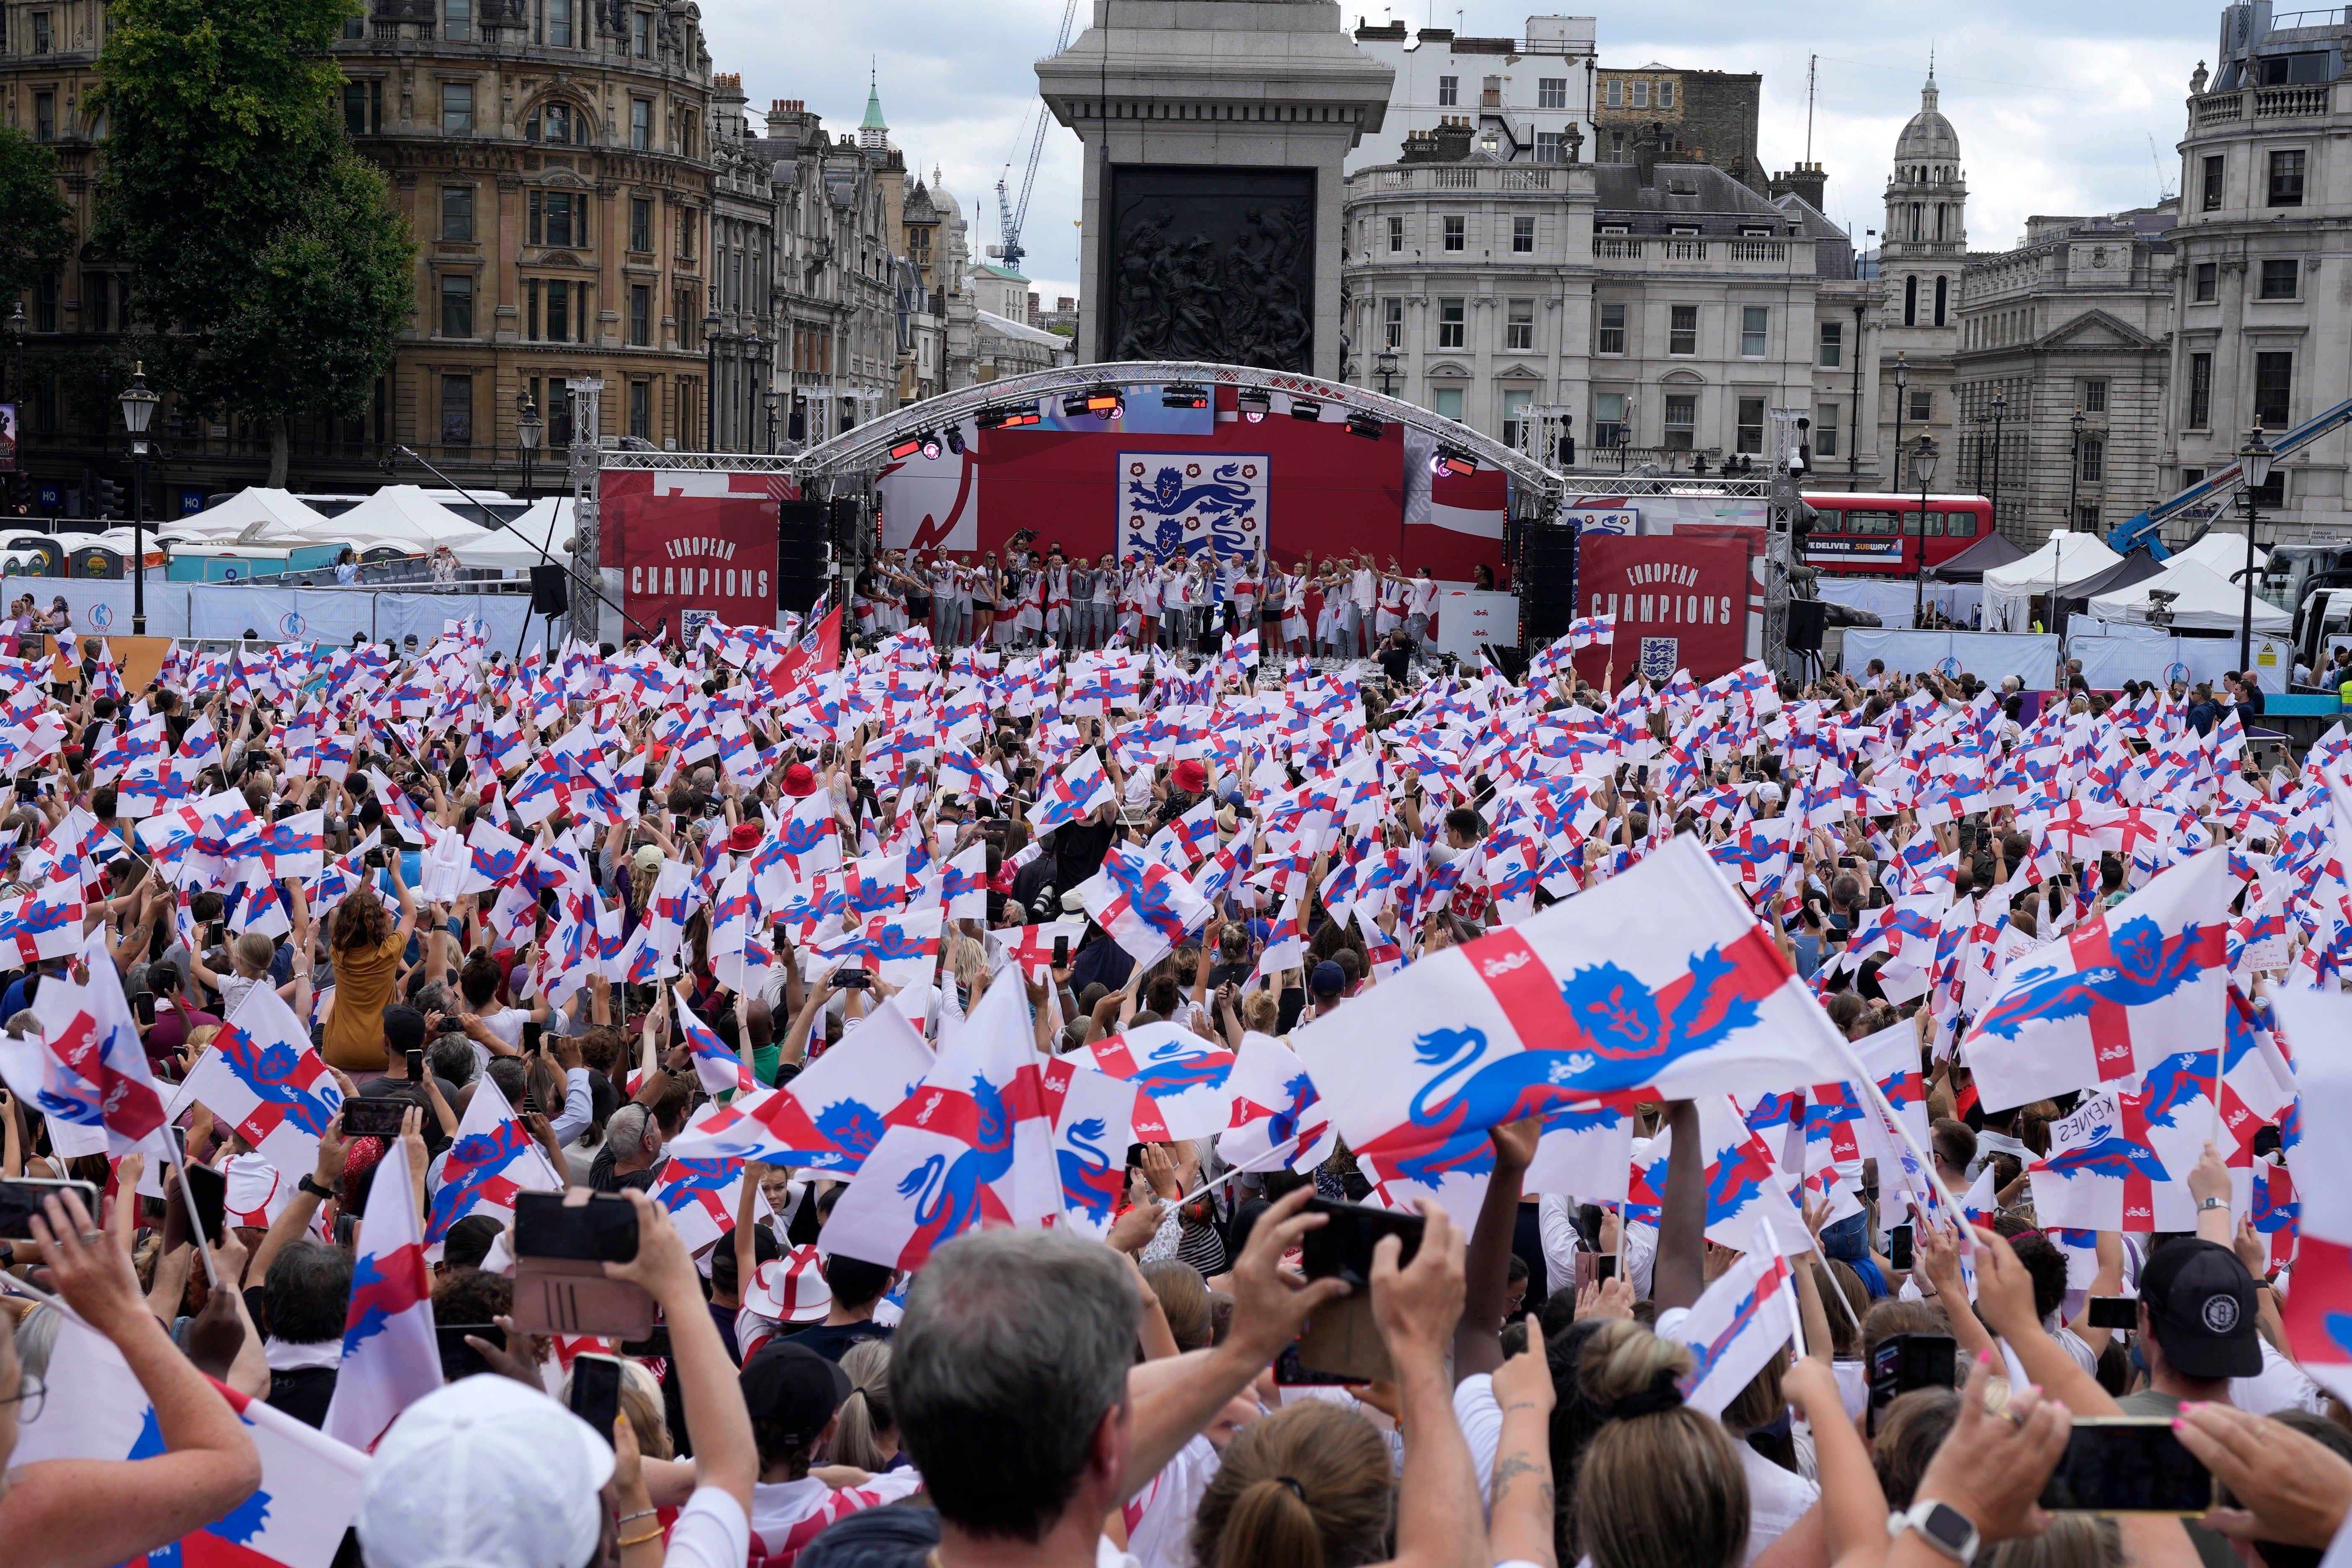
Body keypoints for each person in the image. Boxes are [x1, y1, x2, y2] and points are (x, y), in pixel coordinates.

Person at [356, 1190, 756, 1568]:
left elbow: (724, 1472)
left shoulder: (371, 1448)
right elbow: (728, 1470)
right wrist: (680, 1289)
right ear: (601, 1539)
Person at [0, 1189, 264, 1566]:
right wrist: (227, 1284)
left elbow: (166, 1293)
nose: (23, 1402)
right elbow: (238, 1456)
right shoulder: (30, 1508)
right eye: (16, 1393)